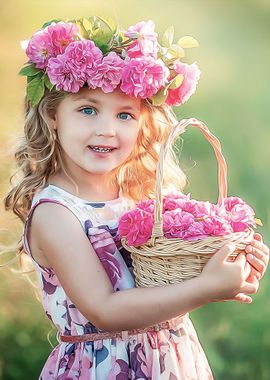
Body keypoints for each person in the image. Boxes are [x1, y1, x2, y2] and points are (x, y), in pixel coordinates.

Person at [4, 16, 269, 379]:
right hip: (105, 366)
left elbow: (174, 275)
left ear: (143, 123)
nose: (107, 129)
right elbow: (106, 309)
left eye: (125, 114)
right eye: (87, 109)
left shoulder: (140, 196)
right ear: (52, 114)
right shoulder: (57, 212)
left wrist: (233, 264)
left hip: (172, 360)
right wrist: (207, 287)